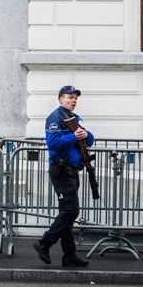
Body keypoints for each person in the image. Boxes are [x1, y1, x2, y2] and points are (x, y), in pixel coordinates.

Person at [33, 85, 93, 267]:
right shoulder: (55, 117)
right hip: (61, 171)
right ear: (60, 99)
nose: (73, 100)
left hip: (73, 171)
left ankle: (69, 254)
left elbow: (88, 140)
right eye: (70, 97)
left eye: (75, 98)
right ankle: (44, 243)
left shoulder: (74, 118)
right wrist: (74, 136)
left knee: (66, 213)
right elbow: (53, 143)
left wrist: (86, 134)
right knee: (71, 211)